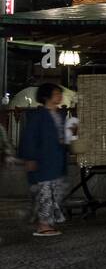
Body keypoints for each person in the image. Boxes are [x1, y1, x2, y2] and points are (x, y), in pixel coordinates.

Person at [18, 83, 68, 237]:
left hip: (56, 159)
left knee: (55, 191)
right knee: (46, 192)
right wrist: (30, 157)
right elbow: (29, 138)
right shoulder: (38, 116)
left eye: (60, 93)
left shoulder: (59, 115)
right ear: (47, 96)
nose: (59, 96)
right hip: (43, 160)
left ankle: (45, 220)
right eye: (56, 93)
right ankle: (43, 224)